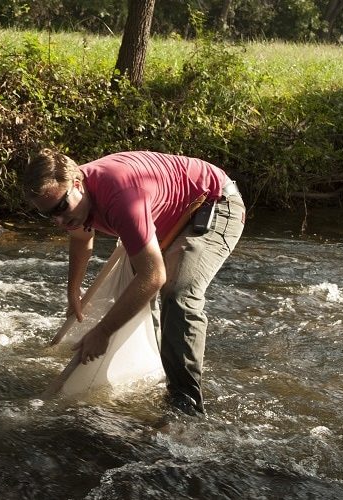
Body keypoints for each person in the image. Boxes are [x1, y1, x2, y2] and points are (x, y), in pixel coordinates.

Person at [23, 149, 245, 416]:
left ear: (78, 185)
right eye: (49, 215)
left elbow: (154, 277)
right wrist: (73, 292)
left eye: (61, 209)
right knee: (135, 294)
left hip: (212, 203)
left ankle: (185, 406)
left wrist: (102, 332)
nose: (59, 221)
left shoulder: (121, 197)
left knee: (177, 293)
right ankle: (158, 370)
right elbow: (82, 238)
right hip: (162, 216)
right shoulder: (69, 197)